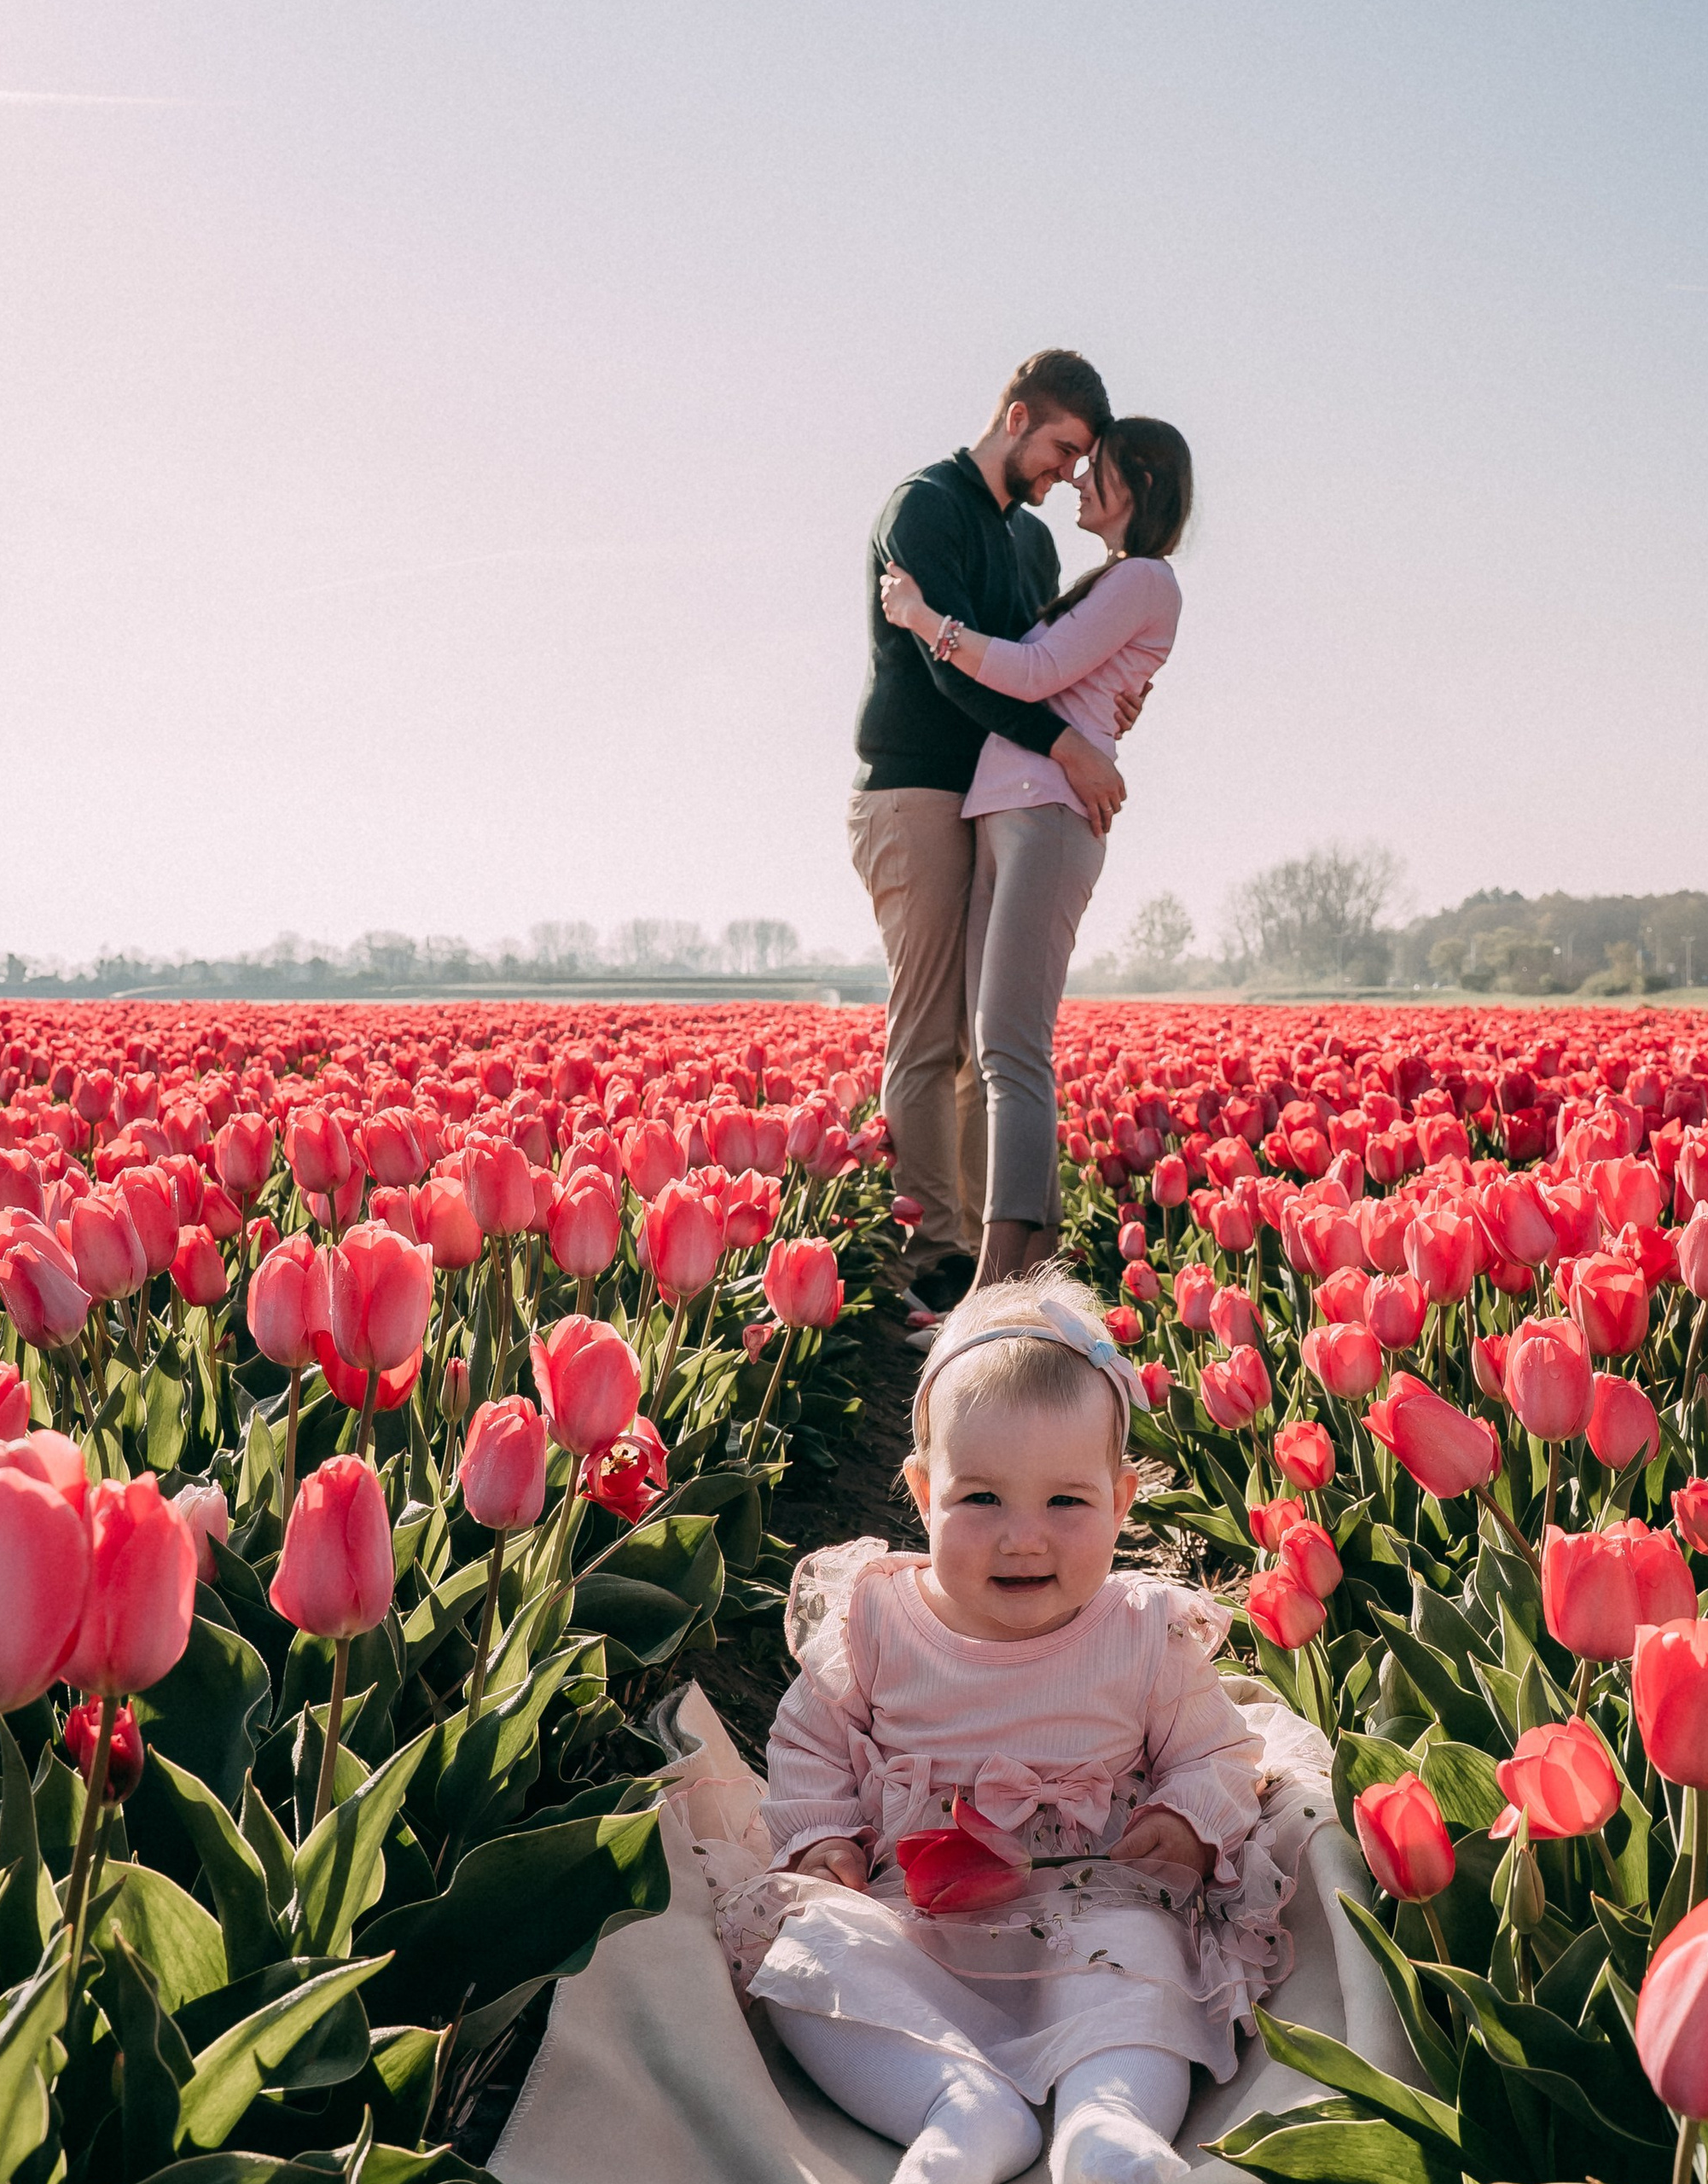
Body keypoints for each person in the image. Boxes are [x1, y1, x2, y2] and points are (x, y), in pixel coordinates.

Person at [712, 1270, 1298, 2184]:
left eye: (1065, 1502)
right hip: (911, 1915)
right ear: (920, 1488)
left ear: (1121, 1500)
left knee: (1142, 1962)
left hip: (1092, 1906)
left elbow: (1217, 1753)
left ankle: (1106, 2130)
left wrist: (1186, 1820)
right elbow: (808, 1746)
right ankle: (954, 2106)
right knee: (807, 1956)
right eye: (981, 1499)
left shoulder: (1143, 1634)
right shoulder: (875, 1623)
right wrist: (822, 1836)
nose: (1022, 1538)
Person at [851, 352, 1140, 1315]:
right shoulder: (924, 507)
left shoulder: (1034, 550)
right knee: (931, 1028)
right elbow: (953, 673)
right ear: (1017, 417)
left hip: (996, 791)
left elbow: (1032, 667)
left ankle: (987, 1257)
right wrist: (1068, 742)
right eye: (1061, 451)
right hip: (918, 788)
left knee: (987, 1038)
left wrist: (1096, 715)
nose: (1067, 477)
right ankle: (932, 1253)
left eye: (1081, 462)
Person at [880, 419, 1194, 1289]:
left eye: (1099, 470)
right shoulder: (1113, 580)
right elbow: (1057, 668)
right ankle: (1034, 1265)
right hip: (1007, 809)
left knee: (1010, 1052)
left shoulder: (1144, 579)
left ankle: (993, 1285)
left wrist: (923, 620)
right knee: (996, 1050)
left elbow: (1029, 669)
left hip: (1050, 814)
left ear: (1142, 484)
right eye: (1077, 464)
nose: (1081, 482)